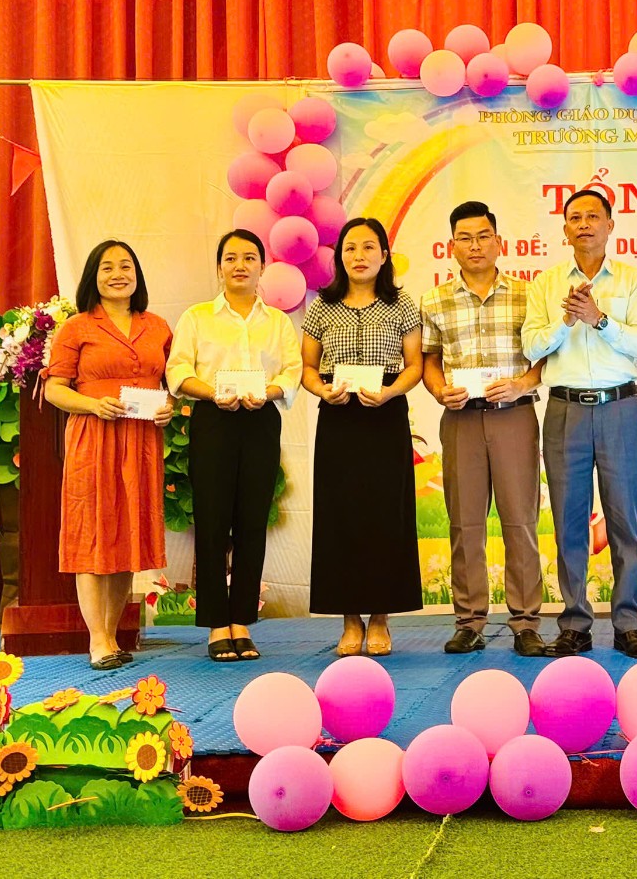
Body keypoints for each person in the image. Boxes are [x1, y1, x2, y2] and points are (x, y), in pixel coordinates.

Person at [523, 188, 637, 659]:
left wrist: (599, 319)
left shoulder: (632, 280)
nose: (584, 224)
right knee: (569, 521)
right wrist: (566, 320)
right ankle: (575, 623)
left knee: (624, 519)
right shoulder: (545, 284)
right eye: (575, 218)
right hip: (565, 411)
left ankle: (629, 624)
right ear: (565, 230)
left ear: (610, 225)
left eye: (593, 217)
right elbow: (531, 346)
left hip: (619, 407)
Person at [167, 229, 301, 662]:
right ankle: (215, 624)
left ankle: (241, 620)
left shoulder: (277, 321)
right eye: (231, 258)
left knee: (251, 521)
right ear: (219, 267)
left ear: (262, 267)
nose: (240, 265)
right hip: (213, 419)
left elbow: (292, 370)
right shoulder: (197, 317)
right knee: (211, 521)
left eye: (249, 258)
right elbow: (178, 370)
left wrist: (271, 392)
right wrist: (210, 393)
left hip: (260, 420)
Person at [421, 202, 547, 657]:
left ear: (498, 242)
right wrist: (439, 391)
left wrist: (521, 384)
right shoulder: (434, 299)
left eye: (483, 236)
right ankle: (469, 621)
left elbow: (544, 358)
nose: (475, 245)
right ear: (451, 246)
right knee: (465, 522)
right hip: (461, 418)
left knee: (520, 521)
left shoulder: (528, 294)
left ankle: (526, 622)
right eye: (465, 238)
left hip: (514, 415)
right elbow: (430, 360)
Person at [44, 240, 173, 670]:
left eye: (125, 266)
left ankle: (113, 634)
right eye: (107, 267)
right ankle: (97, 640)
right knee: (92, 535)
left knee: (126, 537)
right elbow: (55, 389)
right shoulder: (77, 327)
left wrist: (169, 407)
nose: (118, 274)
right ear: (93, 278)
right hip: (94, 437)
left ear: (137, 274)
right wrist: (92, 405)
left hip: (141, 441)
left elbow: (168, 384)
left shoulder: (157, 326)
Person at [301, 217, 424, 658]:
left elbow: (414, 365)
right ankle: (350, 619)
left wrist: (390, 392)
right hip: (339, 417)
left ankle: (381, 618)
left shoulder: (401, 304)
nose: (359, 256)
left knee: (385, 514)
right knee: (341, 516)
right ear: (340, 256)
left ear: (384, 255)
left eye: (369, 247)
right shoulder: (323, 305)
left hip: (385, 414)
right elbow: (307, 368)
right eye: (350, 248)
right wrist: (322, 391)